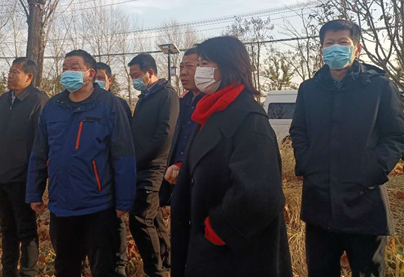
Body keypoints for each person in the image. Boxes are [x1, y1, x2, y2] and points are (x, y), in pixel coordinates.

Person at [170, 36, 292, 277]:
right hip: (208, 249)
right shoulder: (211, 111)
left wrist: (216, 230)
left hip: (235, 253)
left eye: (205, 64)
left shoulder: (249, 119)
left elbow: (259, 194)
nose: (199, 71)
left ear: (227, 67)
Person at [290, 19, 404, 277]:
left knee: (367, 272)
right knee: (320, 271)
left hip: (365, 200)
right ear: (321, 49)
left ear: (357, 48)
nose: (335, 48)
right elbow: (299, 130)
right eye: (329, 43)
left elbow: (395, 135)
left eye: (343, 42)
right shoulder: (309, 89)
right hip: (320, 201)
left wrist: (374, 171)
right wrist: (306, 164)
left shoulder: (380, 87)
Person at [26, 50, 136, 277]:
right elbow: (39, 152)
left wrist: (124, 200)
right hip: (61, 204)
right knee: (66, 267)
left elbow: (123, 154)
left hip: (98, 204)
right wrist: (34, 192)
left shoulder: (108, 105)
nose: (67, 72)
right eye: (64, 68)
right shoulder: (53, 106)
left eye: (74, 68)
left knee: (103, 268)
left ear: (90, 73)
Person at [0, 58, 49, 277]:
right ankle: (8, 270)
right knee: (7, 227)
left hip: (23, 178)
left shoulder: (39, 101)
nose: (10, 76)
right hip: (1, 175)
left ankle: (28, 271)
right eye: (10, 71)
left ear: (29, 77)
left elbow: (41, 143)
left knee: (26, 229)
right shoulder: (4, 99)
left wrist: (37, 180)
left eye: (15, 72)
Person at [128, 53, 179, 277]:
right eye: (131, 76)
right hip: (139, 166)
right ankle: (167, 262)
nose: (134, 80)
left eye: (136, 75)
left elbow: (165, 133)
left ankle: (154, 270)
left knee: (140, 219)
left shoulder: (167, 95)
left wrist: (142, 158)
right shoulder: (144, 98)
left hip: (155, 166)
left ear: (150, 72)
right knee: (154, 218)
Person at [96, 61, 131, 276]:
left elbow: (125, 145)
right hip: (93, 177)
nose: (97, 82)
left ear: (109, 80)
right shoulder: (85, 103)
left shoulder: (119, 105)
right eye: (94, 78)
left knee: (116, 221)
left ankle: (119, 263)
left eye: (101, 78)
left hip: (113, 173)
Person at [159, 48, 203, 206]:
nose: (183, 73)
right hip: (177, 180)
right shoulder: (183, 103)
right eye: (181, 67)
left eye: (190, 67)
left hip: (199, 183)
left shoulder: (213, 106)